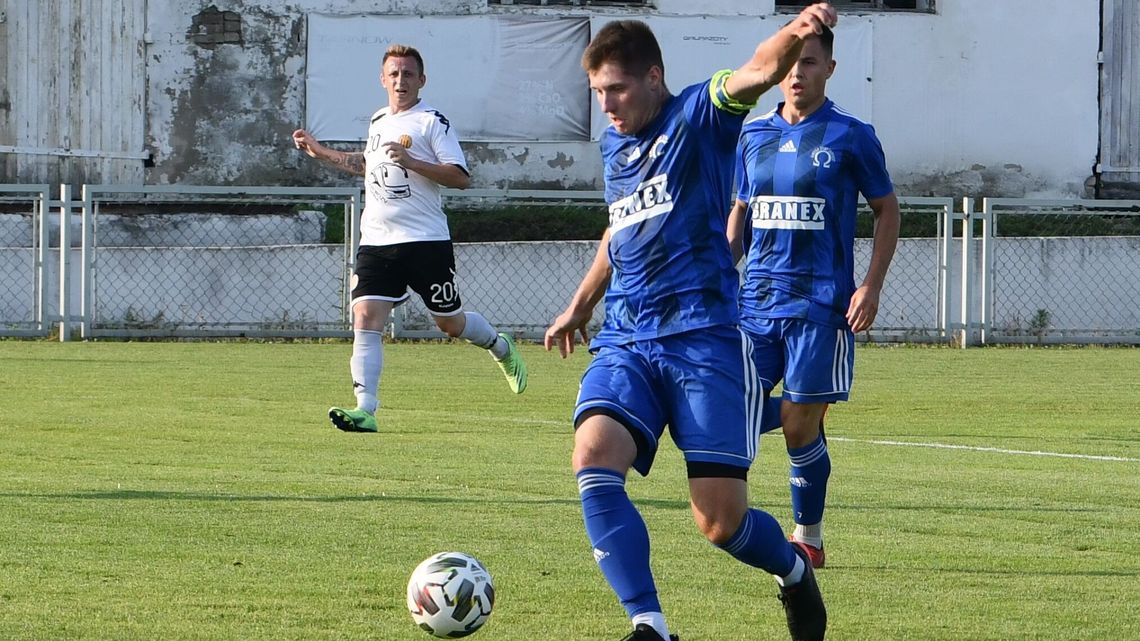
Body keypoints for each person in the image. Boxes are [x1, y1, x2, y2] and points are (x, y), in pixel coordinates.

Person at [544, 6, 837, 641]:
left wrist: (800, 28)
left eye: (616, 89)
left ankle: (792, 570)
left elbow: (759, 70)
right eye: (597, 93)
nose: (607, 106)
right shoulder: (613, 143)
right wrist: (583, 301)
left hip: (704, 339)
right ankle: (650, 625)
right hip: (628, 336)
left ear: (654, 76)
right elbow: (621, 225)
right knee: (593, 456)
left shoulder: (699, 116)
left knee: (719, 522)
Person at [727, 23, 901, 570]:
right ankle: (809, 407)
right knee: (732, 409)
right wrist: (714, 272)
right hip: (755, 302)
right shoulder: (752, 135)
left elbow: (887, 210)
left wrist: (870, 285)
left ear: (830, 69)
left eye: (809, 63)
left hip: (821, 305)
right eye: (790, 64)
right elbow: (740, 214)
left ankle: (809, 535)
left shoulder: (852, 135)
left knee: (799, 428)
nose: (797, 73)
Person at [293, 44, 527, 434]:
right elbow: (367, 167)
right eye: (394, 74)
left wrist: (414, 163)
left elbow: (461, 177)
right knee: (365, 317)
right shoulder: (379, 120)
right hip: (377, 240)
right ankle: (365, 408)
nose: (401, 81)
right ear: (383, 79)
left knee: (449, 324)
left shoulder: (432, 122)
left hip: (424, 240)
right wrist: (319, 152)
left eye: (408, 74)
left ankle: (499, 346)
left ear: (422, 80)